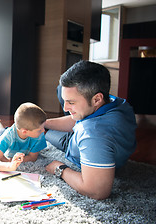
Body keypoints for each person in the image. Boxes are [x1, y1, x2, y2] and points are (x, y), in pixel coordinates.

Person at [44, 60, 137, 200]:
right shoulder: (116, 101)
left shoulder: (93, 134)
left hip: (73, 143)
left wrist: (60, 169)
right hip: (93, 130)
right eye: (66, 101)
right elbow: (80, 119)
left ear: (97, 99)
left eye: (71, 102)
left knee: (45, 133)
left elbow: (96, 191)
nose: (65, 108)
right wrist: (45, 122)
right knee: (60, 90)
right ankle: (43, 123)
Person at [0, 102, 47, 171]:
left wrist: (11, 160)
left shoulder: (39, 135)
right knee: (0, 132)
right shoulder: (8, 136)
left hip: (18, 131)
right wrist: (9, 166)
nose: (43, 131)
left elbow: (32, 157)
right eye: (39, 130)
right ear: (25, 131)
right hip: (5, 133)